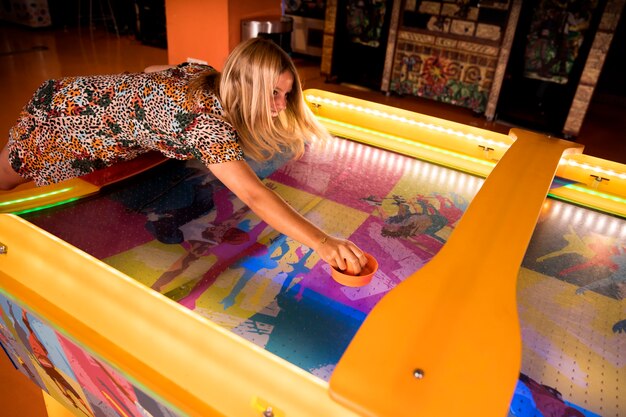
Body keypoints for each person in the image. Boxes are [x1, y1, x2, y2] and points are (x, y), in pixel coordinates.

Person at [0, 37, 367, 274]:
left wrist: (143, 111)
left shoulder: (205, 73)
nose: (279, 105)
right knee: (6, 178)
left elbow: (151, 71)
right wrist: (322, 241)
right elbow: (254, 194)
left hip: (80, 98)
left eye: (285, 95)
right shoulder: (206, 126)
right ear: (244, 85)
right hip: (63, 119)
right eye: (273, 93)